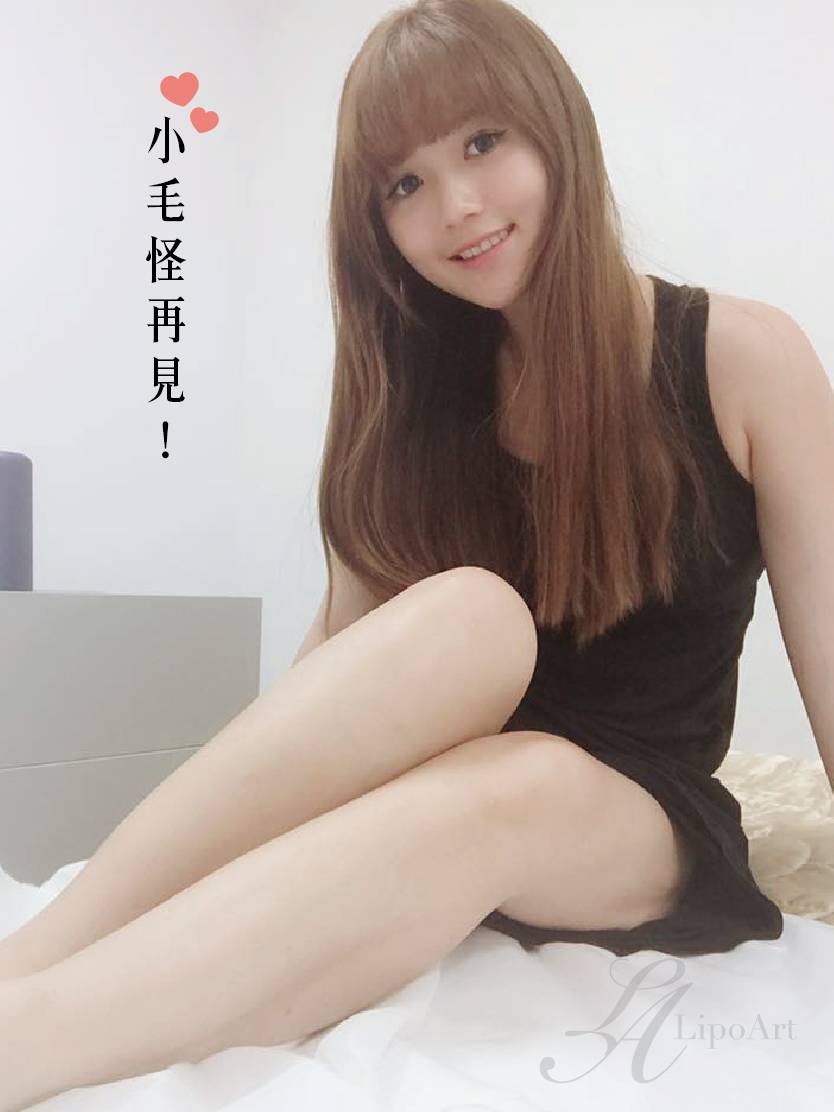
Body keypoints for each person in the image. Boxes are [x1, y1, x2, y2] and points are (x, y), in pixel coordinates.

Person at [4, 0, 831, 1105]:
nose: (458, 207)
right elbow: (344, 673)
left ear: (557, 128)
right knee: (468, 617)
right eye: (405, 183)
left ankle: (21, 1039)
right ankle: (33, 958)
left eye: (484, 142)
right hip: (446, 791)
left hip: (634, 817)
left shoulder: (742, 356)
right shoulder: (413, 399)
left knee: (520, 770)